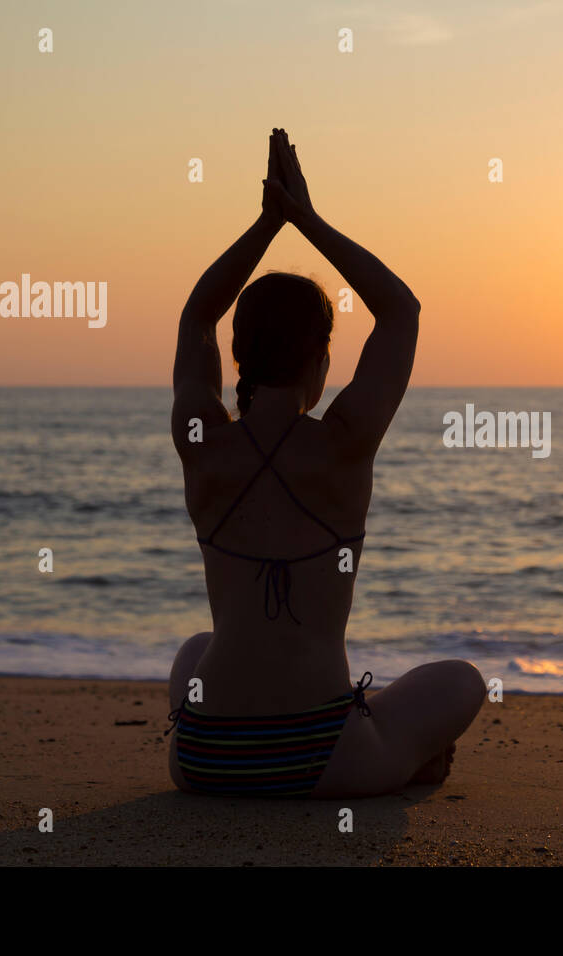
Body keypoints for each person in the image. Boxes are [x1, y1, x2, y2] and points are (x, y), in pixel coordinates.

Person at [166, 128, 485, 797]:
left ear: (239, 356)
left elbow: (197, 313)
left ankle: (388, 753)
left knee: (198, 647)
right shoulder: (344, 442)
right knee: (462, 680)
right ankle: (396, 762)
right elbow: (400, 310)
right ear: (320, 359)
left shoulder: (200, 439)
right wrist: (305, 219)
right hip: (317, 757)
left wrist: (265, 225)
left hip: (204, 757)